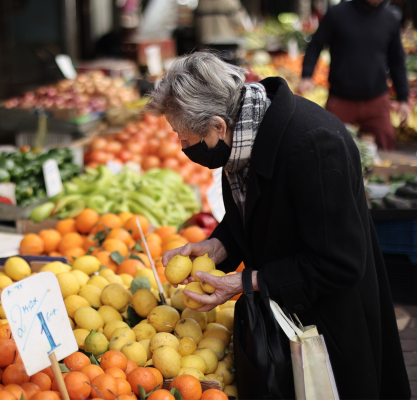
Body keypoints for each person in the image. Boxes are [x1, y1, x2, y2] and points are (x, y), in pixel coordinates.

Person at [148, 51, 411, 399]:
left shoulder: (313, 145)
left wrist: (246, 281)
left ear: (216, 126)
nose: (181, 146)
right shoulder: (243, 135)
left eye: (183, 136)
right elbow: (263, 212)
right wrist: (220, 245)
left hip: (331, 328)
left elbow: (339, 262)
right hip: (290, 318)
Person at [298, 0, 410, 151]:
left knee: (385, 147)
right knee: (329, 149)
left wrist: (403, 99)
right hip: (341, 99)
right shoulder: (337, 13)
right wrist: (307, 75)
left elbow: (397, 62)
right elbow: (315, 45)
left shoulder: (390, 19)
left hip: (376, 101)